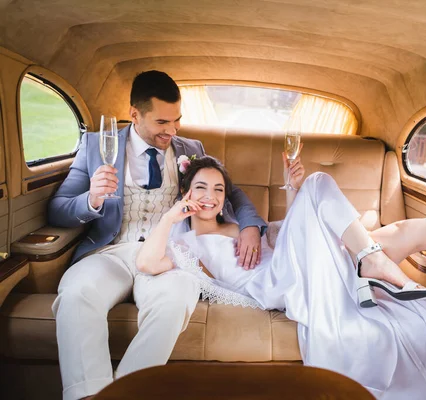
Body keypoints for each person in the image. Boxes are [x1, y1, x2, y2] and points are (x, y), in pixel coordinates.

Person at [135, 111, 426, 400]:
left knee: (409, 229)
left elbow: (293, 235)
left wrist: (290, 191)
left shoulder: (245, 225)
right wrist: (173, 215)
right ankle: (371, 259)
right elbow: (148, 263)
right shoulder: (185, 243)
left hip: (297, 265)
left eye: (218, 188)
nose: (212, 196)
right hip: (283, 284)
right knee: (323, 188)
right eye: (201, 188)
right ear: (187, 192)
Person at [48, 70, 267, 400]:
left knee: (179, 295)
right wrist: (91, 199)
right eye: (162, 122)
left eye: (177, 120)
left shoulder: (190, 148)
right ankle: (87, 395)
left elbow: (231, 193)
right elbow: (58, 209)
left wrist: (251, 227)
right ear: (135, 114)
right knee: (77, 292)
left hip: (171, 255)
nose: (172, 130)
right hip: (111, 251)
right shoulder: (96, 146)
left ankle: (126, 393)